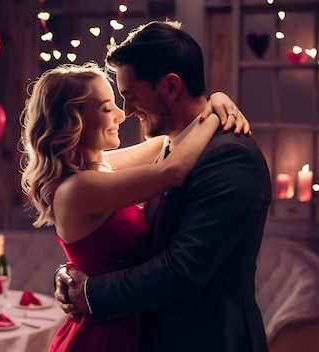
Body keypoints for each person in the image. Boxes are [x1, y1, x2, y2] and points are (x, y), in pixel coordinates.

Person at [54, 20, 272, 352]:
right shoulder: (171, 147)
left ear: (171, 87)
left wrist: (91, 292)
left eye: (131, 96)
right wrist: (74, 273)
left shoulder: (230, 156)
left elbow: (182, 270)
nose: (126, 111)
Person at [19, 59, 249, 351]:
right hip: (101, 336)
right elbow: (172, 172)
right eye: (106, 108)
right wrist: (216, 112)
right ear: (72, 121)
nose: (120, 114)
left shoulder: (97, 170)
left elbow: (165, 143)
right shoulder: (78, 188)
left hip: (123, 324)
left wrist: (215, 99)